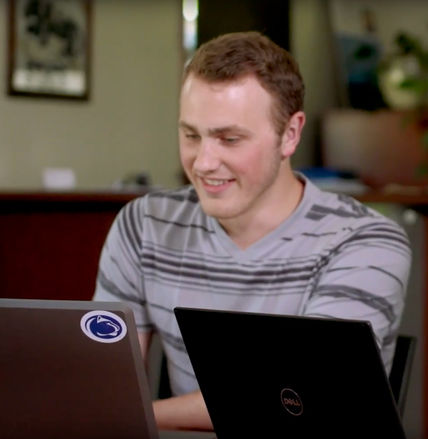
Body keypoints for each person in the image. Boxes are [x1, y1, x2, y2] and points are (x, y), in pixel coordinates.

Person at [93, 31, 411, 431]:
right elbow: (106, 383)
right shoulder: (144, 225)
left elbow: (300, 395)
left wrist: (136, 415)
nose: (204, 162)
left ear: (290, 134)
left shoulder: (364, 241)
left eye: (230, 139)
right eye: (191, 135)